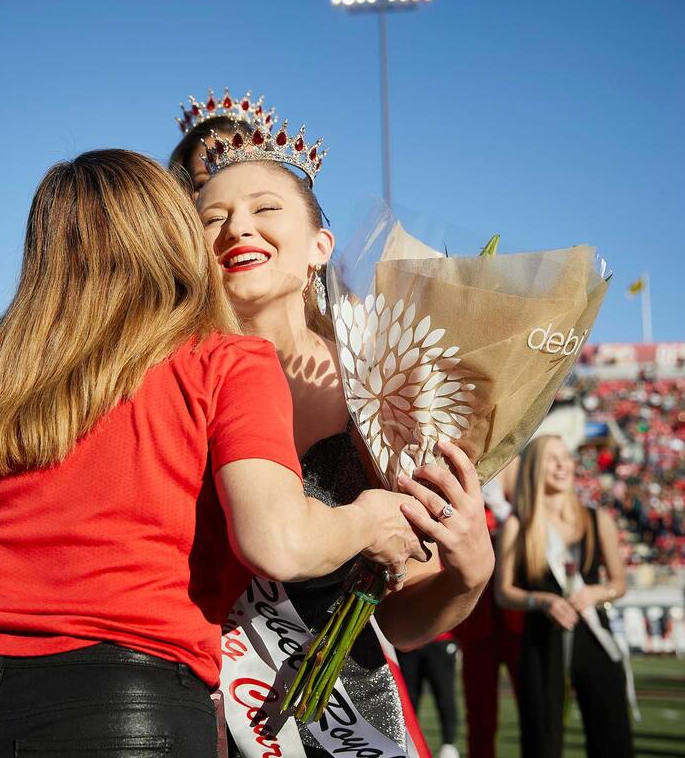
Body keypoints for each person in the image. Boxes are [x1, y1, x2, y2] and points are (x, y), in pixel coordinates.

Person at [0, 149, 430, 758]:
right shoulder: (226, 360)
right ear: (171, 236)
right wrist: (369, 518)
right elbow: (278, 542)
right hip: (124, 695)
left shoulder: (1, 375)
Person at [193, 113, 493, 757]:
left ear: (321, 246)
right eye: (211, 216)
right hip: (195, 701)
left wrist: (468, 574)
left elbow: (402, 613)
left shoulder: (381, 385)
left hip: (340, 709)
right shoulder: (160, 376)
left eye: (264, 205)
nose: (237, 227)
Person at [494, 435, 634, 758]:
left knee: (613, 739)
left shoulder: (598, 520)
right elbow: (503, 593)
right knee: (542, 740)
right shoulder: (518, 525)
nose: (562, 465)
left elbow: (619, 583)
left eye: (566, 457)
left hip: (596, 640)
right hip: (542, 642)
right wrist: (541, 601)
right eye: (551, 459)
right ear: (533, 468)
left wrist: (596, 592)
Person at [455, 463, 524, 758]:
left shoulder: (518, 464)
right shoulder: (464, 467)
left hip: (518, 620)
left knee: (536, 711)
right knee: (480, 715)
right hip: (477, 622)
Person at [396, 633, 460, 758]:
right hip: (406, 642)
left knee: (445, 696)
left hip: (439, 640)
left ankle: (449, 744)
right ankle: (406, 743)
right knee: (406, 700)